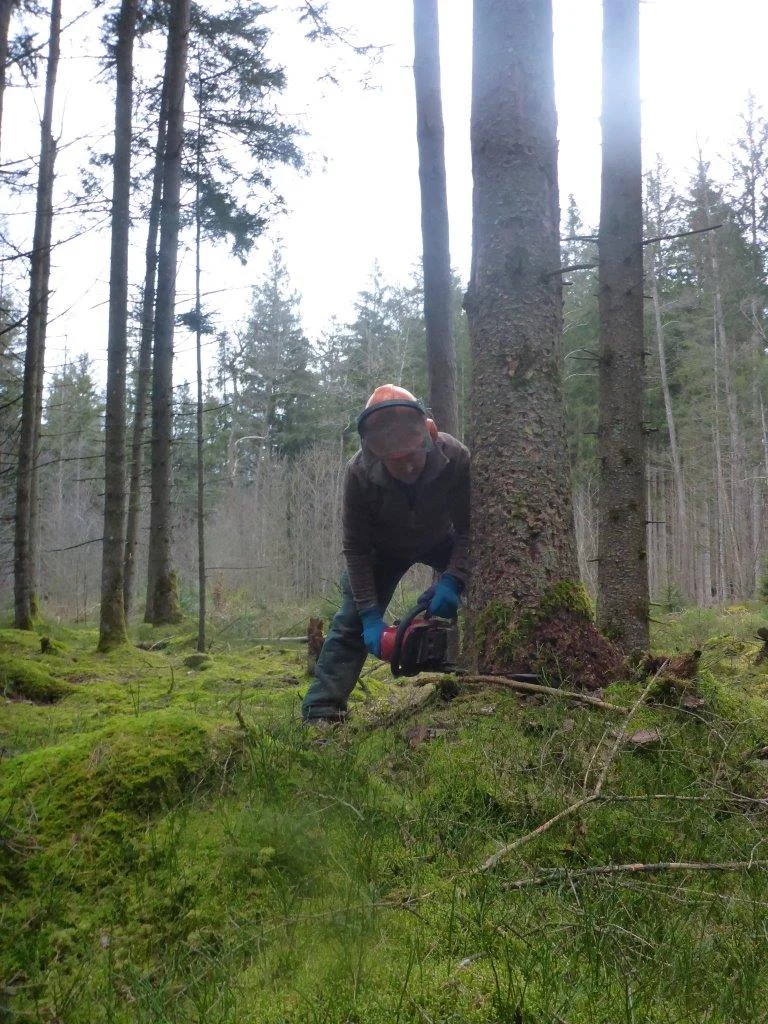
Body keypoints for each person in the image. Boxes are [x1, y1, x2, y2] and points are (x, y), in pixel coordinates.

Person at [302, 384, 470, 724]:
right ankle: (322, 709)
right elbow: (356, 549)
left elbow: (471, 530)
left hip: (441, 538)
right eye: (396, 462)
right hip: (382, 550)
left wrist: (454, 578)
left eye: (411, 456)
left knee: (493, 575)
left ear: (427, 438)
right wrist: (369, 617)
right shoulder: (359, 474)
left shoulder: (455, 457)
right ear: (376, 455)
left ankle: (479, 667)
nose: (407, 467)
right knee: (349, 623)